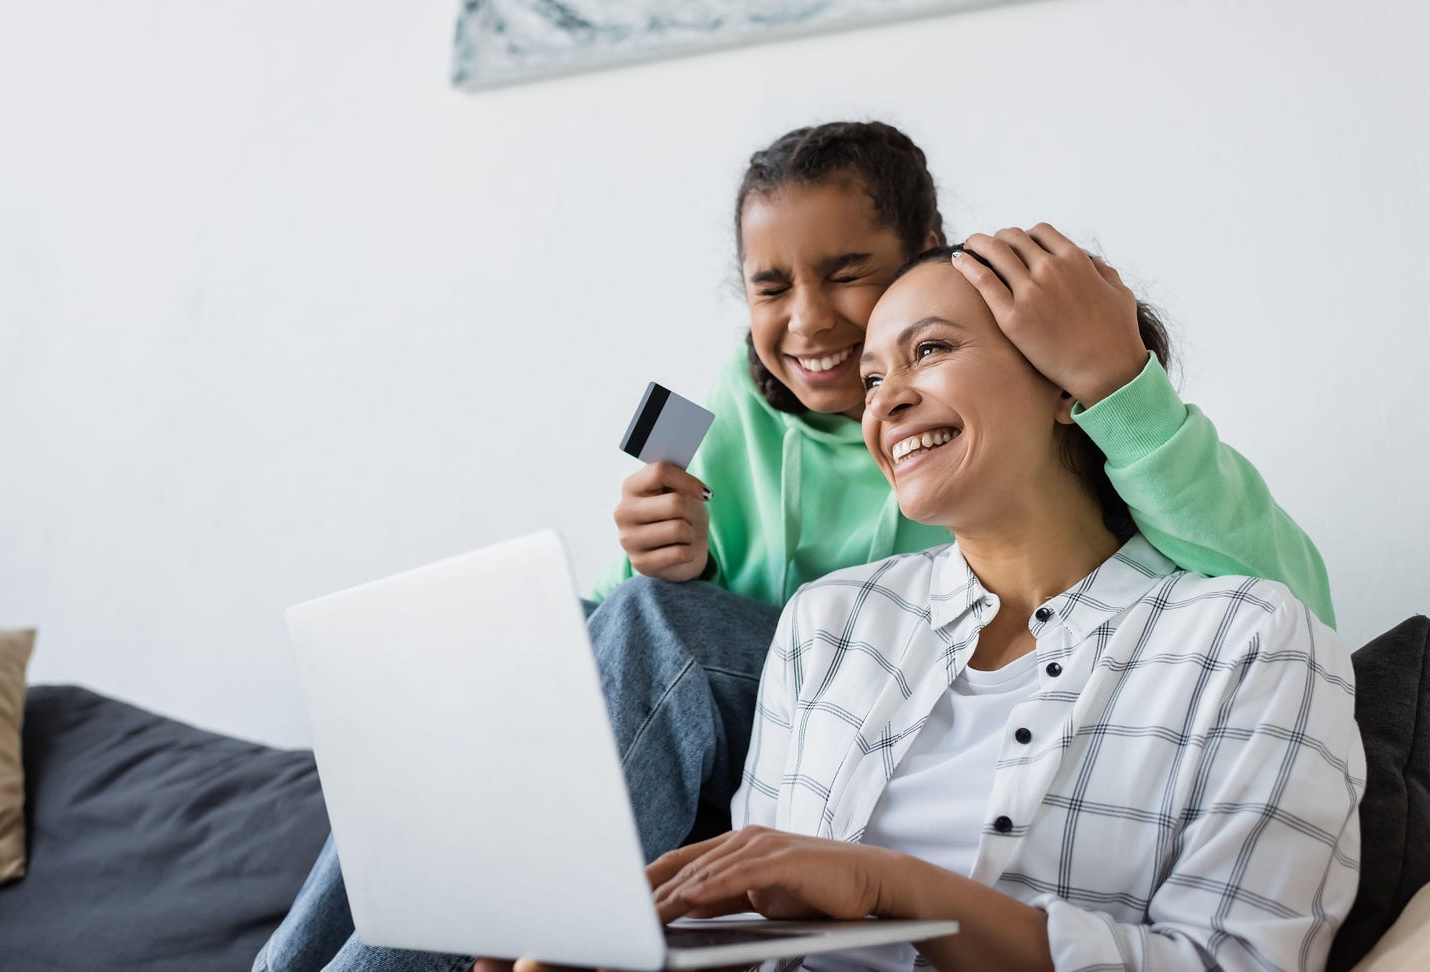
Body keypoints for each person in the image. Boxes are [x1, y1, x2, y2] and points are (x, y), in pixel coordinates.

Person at [255, 123, 1336, 972]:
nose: (813, 324)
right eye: (772, 287)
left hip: (744, 685)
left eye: (856, 282)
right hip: (789, 708)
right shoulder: (744, 424)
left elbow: (1280, 603)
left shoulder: (1221, 624)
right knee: (503, 697)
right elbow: (620, 641)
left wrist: (1112, 380)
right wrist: (652, 559)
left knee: (653, 628)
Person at [486, 242, 1365, 972]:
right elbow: (754, 935)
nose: (887, 402)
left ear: (1071, 385)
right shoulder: (828, 623)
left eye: (931, 351)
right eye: (873, 378)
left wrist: (890, 887)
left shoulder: (1249, 641)